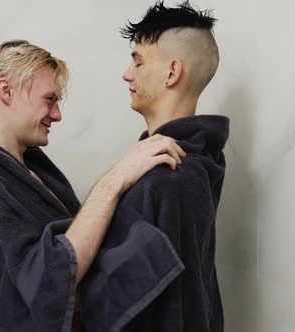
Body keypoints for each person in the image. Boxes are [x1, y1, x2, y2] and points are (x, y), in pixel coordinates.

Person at [0, 40, 186, 331]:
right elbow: (44, 280)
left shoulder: (36, 170)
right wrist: (114, 181)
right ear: (6, 90)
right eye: (49, 99)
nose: (57, 115)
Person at [79, 2, 229, 331]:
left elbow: (131, 306)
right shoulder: (202, 161)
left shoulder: (165, 177)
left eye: (138, 60)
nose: (126, 73)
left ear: (172, 72)